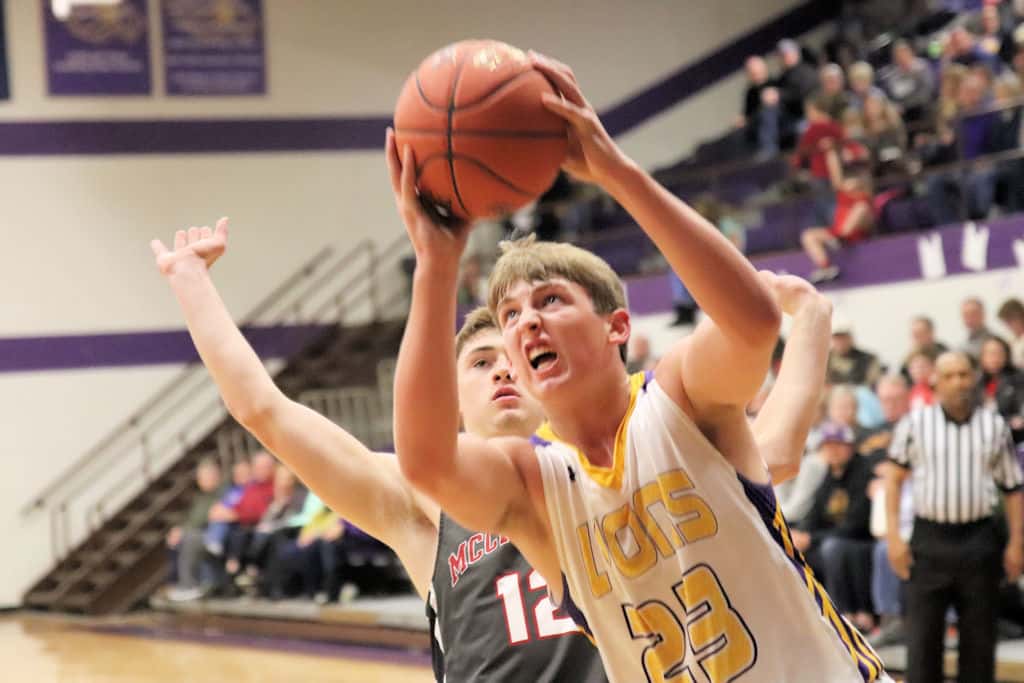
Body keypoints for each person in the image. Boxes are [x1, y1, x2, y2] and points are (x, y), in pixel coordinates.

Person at [152, 218, 842, 682]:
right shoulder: (420, 501)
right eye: (482, 362)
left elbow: (773, 453)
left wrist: (810, 321)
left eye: (511, 357)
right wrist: (189, 279)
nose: (505, 369)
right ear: (447, 399)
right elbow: (265, 411)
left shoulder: (612, 463)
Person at [388, 50, 888, 683]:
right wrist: (436, 265)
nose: (527, 322)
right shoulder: (533, 482)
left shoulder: (680, 397)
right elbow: (425, 462)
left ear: (616, 326)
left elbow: (754, 323)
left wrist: (617, 173)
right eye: (510, 315)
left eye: (550, 301)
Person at [885, 351, 1024, 683]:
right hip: (929, 540)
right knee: (922, 642)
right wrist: (893, 537)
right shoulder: (914, 424)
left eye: (964, 374)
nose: (958, 382)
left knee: (979, 642)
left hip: (979, 540)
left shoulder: (994, 426)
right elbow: (893, 480)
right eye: (949, 376)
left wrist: (1017, 543)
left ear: (974, 379)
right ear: (936, 382)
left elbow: (1013, 489)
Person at [997, 297, 1024, 368]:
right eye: (1005, 321)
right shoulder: (1008, 339)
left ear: (1020, 317)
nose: (1008, 325)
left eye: (1009, 320)